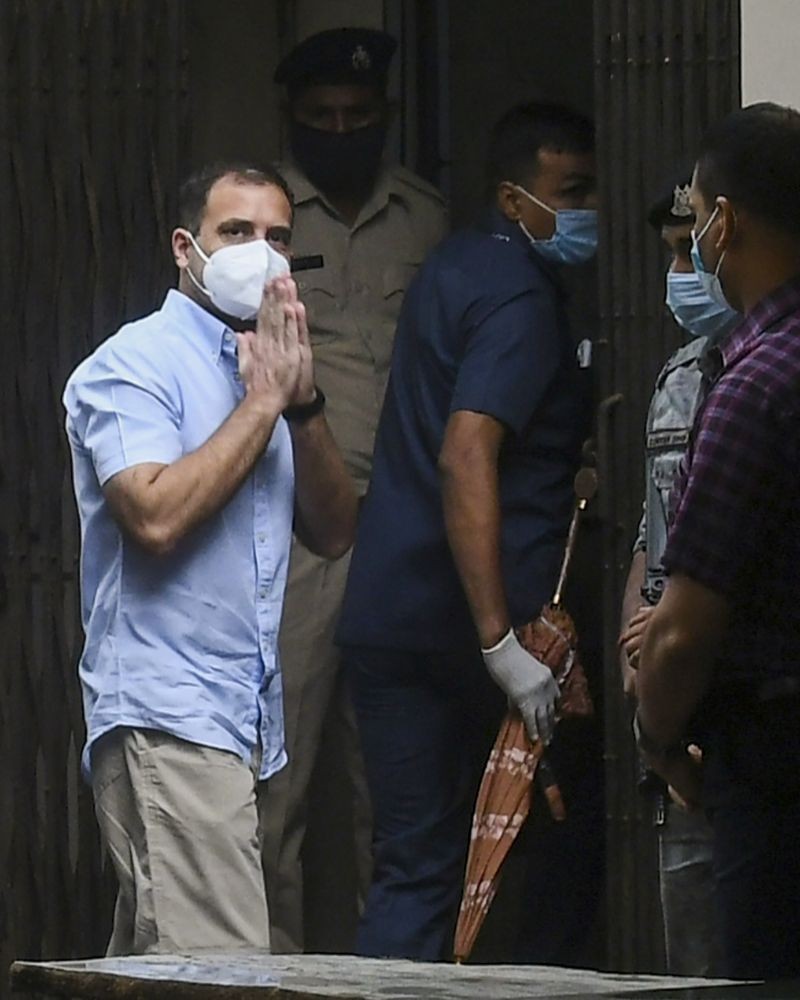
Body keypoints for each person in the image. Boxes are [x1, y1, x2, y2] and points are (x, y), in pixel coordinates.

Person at [63, 163, 358, 955]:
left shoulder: (271, 361)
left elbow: (333, 530)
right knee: (227, 970)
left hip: (244, 723)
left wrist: (301, 403)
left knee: (168, 968)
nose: (260, 254)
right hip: (166, 714)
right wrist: (262, 404)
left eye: (278, 238)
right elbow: (153, 516)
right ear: (186, 248)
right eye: (237, 233)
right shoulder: (132, 364)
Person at [337, 101, 601, 962]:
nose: (585, 209)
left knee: (416, 867)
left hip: (389, 618)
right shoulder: (521, 295)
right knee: (534, 867)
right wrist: (499, 643)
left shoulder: (452, 264)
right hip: (467, 639)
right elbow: (466, 453)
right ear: (514, 197)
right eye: (572, 190)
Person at [259, 27, 447, 954]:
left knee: (393, 784)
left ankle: (392, 969)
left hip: (404, 531)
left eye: (359, 117)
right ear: (293, 120)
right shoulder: (263, 225)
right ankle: (275, 970)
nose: (342, 130)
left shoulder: (427, 217)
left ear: (387, 118)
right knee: (280, 782)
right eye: (321, 118)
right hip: (296, 533)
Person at [637, 102, 800, 981]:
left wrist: (659, 737)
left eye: (695, 219)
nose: (693, 241)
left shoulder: (755, 384)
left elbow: (685, 628)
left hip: (774, 758)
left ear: (725, 221)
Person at [618, 177, 738, 976]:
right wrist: (640, 634)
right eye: (667, 253)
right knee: (690, 963)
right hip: (674, 709)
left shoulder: (772, 377)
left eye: (689, 247)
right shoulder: (680, 376)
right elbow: (650, 528)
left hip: (742, 701)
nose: (681, 270)